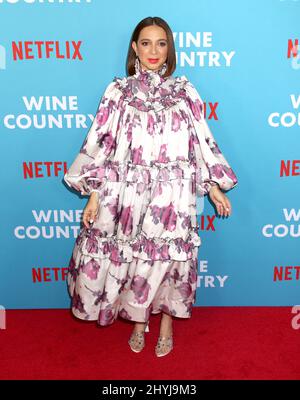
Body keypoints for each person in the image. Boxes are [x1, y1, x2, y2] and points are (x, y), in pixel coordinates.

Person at [63, 16, 238, 357]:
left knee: (169, 262)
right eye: (146, 43)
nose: (153, 51)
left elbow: (200, 142)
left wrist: (214, 186)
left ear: (169, 48)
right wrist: (94, 196)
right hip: (126, 193)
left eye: (161, 43)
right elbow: (102, 144)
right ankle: (140, 323)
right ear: (134, 47)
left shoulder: (185, 92)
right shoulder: (118, 92)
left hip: (172, 197)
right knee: (135, 260)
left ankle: (167, 325)